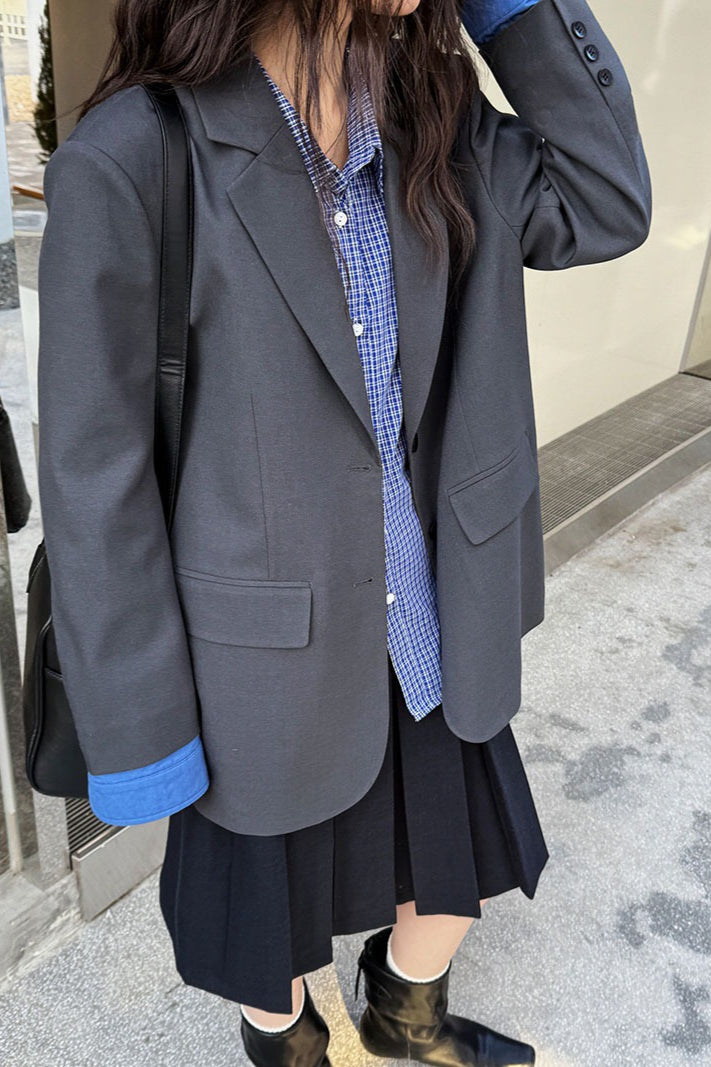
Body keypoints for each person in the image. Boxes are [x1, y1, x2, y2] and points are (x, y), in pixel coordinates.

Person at [35, 0, 651, 1064]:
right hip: (255, 658)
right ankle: (288, 1042)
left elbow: (605, 199)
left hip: (427, 616)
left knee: (452, 874)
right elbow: (97, 478)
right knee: (261, 934)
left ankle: (404, 1011)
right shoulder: (138, 157)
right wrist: (144, 729)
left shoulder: (436, 120)